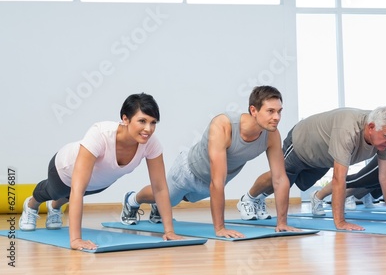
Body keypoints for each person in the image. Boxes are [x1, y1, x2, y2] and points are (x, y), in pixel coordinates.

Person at [121, 85, 298, 238]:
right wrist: (219, 228)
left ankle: (158, 209)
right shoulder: (224, 125)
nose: (277, 117)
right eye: (271, 111)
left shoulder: (271, 135)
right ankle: (132, 200)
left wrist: (282, 222)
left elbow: (280, 178)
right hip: (188, 172)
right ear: (253, 110)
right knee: (165, 197)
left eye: (279, 111)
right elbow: (217, 180)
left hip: (209, 185)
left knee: (181, 200)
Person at [19, 93, 182, 251]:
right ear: (125, 119)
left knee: (69, 196)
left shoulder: (151, 144)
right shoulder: (101, 133)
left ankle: (55, 207)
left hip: (98, 183)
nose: (148, 129)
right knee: (55, 192)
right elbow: (78, 188)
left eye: (153, 122)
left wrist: (169, 231)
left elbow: (160, 188)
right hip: (64, 169)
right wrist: (76, 239)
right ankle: (31, 205)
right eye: (142, 121)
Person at [239, 106, 386, 231]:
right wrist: (340, 222)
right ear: (370, 127)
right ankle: (248, 198)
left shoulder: (384, 138)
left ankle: (258, 198)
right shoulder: (348, 130)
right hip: (302, 143)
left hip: (323, 157)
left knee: (291, 182)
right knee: (280, 177)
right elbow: (339, 179)